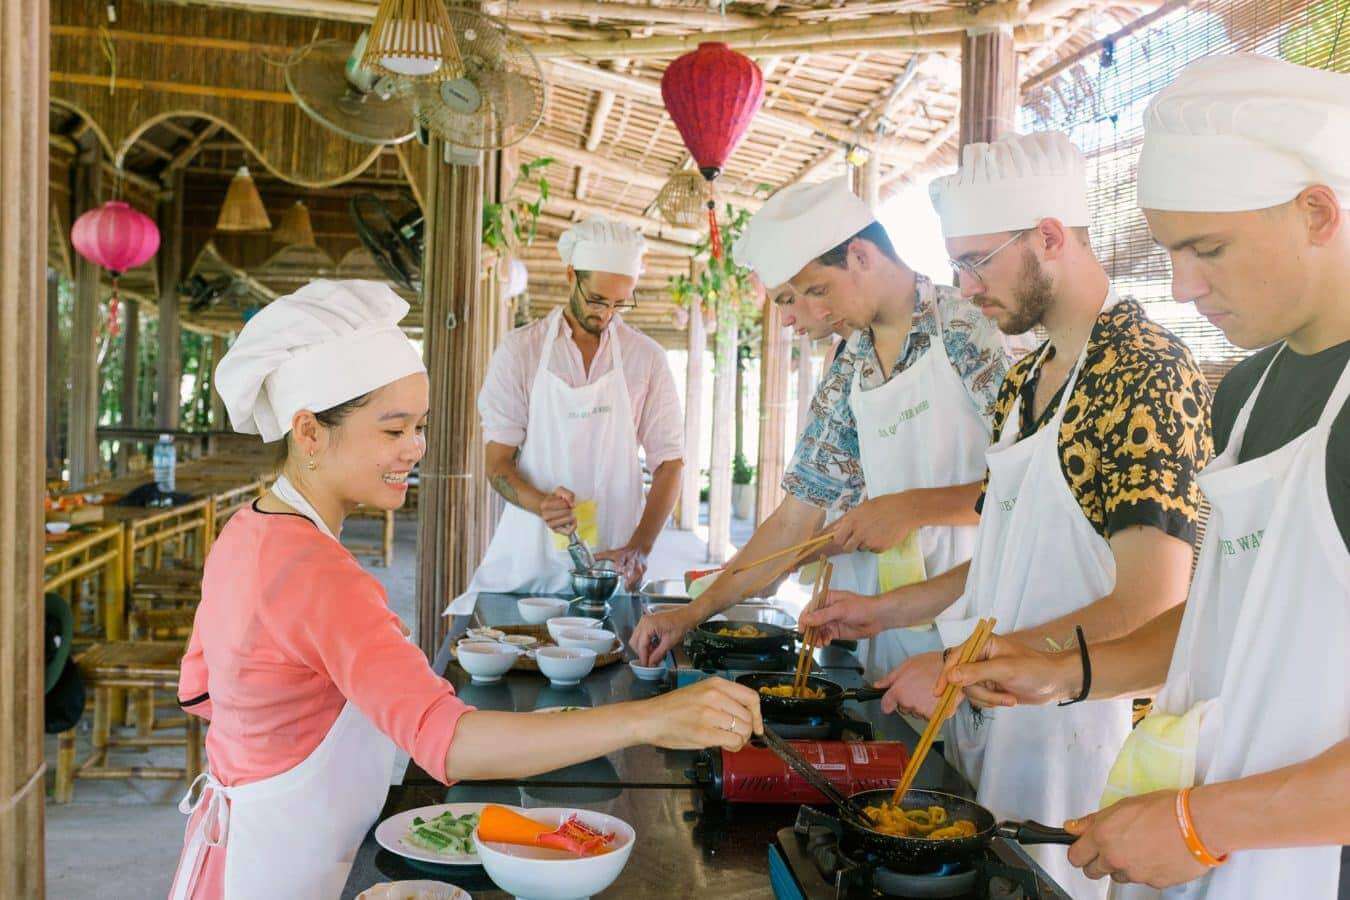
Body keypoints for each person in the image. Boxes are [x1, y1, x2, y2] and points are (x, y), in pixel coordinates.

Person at [170, 280, 762, 900]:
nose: (416, 449)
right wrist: (650, 719)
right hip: (279, 873)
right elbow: (449, 744)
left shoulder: (248, 530)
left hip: (230, 855)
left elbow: (205, 691)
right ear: (310, 433)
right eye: (393, 430)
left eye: (419, 427)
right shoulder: (318, 574)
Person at [936, 54, 1349, 899]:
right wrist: (1069, 673)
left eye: (1208, 249)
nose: (1183, 286)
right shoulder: (1244, 390)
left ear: (1317, 212)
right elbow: (1222, 622)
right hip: (1206, 851)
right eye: (1170, 251)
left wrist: (1207, 824)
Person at [803, 131, 1215, 898]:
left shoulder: (1145, 370)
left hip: (1073, 730)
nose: (962, 288)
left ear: (1049, 237)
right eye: (956, 265)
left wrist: (964, 672)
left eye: (975, 263)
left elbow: (1151, 604)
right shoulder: (1024, 381)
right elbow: (996, 561)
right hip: (991, 713)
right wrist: (882, 611)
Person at [632, 176, 1022, 679]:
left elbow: (1034, 486)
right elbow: (795, 521)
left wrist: (911, 508)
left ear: (861, 255)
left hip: (993, 624)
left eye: (816, 291)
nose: (811, 314)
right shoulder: (848, 369)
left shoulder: (969, 329)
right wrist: (690, 613)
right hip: (892, 632)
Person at [453, 216, 684, 609]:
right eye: (597, 299)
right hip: (530, 566)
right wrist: (540, 502)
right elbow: (497, 463)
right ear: (571, 275)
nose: (606, 313)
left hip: (612, 567)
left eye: (618, 302)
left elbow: (670, 464)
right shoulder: (520, 351)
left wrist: (640, 548)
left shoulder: (646, 358)